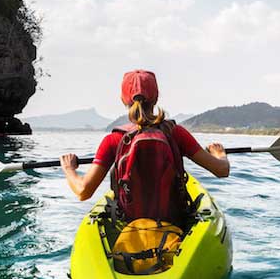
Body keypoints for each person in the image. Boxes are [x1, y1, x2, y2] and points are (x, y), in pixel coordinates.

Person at [60, 70, 230, 222]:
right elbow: (222, 170)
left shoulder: (114, 139)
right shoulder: (176, 133)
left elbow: (83, 191)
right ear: (156, 98)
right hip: (173, 221)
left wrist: (69, 169)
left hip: (130, 223)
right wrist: (219, 154)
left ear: (122, 100)